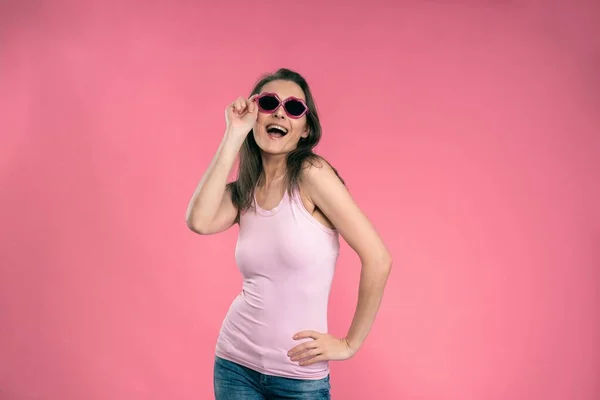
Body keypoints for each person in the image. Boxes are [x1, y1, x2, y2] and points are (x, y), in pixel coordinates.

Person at [186, 68, 392, 399]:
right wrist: (234, 133)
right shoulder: (246, 191)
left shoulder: (311, 175)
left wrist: (350, 343)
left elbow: (378, 258)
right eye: (268, 102)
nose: (280, 111)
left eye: (294, 107)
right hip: (234, 363)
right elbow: (199, 220)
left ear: (305, 128)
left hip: (298, 377)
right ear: (254, 114)